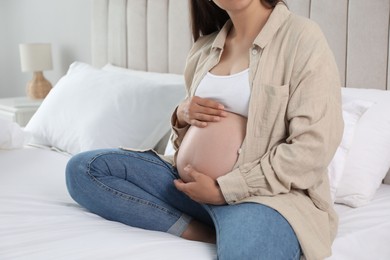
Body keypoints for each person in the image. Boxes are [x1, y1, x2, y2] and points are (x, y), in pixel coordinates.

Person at [66, 0, 344, 259]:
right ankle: (201, 230)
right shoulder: (204, 48)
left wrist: (225, 190)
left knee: (247, 252)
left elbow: (313, 148)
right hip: (186, 187)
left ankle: (229, 223)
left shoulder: (301, 38)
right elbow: (187, 141)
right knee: (84, 169)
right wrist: (182, 114)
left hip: (263, 197)